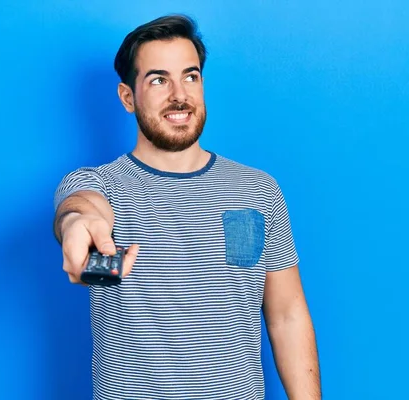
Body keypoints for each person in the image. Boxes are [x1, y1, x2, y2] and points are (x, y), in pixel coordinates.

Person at [53, 14, 321, 400]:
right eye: (158, 79)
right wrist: (80, 222)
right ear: (128, 97)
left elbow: (287, 315)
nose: (179, 94)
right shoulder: (102, 185)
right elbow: (79, 206)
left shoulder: (257, 190)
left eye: (190, 76)